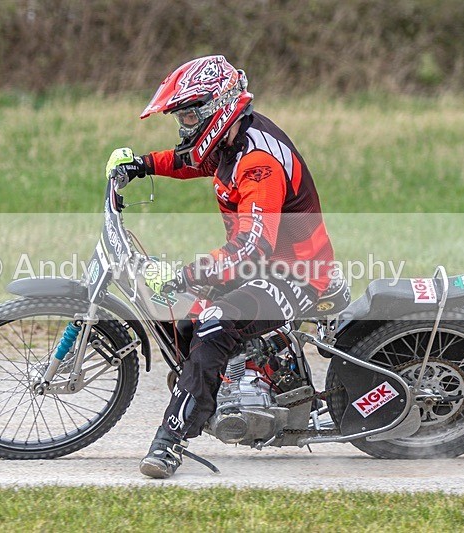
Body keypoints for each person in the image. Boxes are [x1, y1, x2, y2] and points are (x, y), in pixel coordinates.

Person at [106, 55, 335, 479]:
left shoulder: (258, 162)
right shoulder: (231, 141)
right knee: (181, 318)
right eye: (182, 116)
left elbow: (251, 249)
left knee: (212, 322)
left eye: (190, 114)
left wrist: (183, 274)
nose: (184, 125)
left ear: (219, 106)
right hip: (263, 267)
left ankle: (171, 440)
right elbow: (194, 160)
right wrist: (141, 165)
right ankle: (230, 382)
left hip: (294, 275)